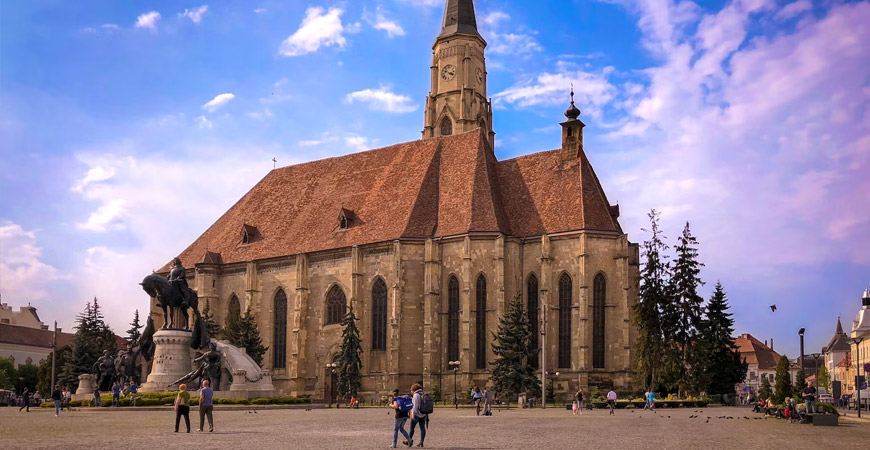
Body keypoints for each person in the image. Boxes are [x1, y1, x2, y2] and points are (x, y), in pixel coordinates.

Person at [408, 383, 427, 448]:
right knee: (422, 428)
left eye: (411, 390)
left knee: (412, 428)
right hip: (423, 414)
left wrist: (413, 414)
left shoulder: (416, 395)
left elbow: (415, 406)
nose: (410, 391)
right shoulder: (422, 393)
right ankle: (421, 442)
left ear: (414, 389)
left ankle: (409, 441)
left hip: (417, 414)